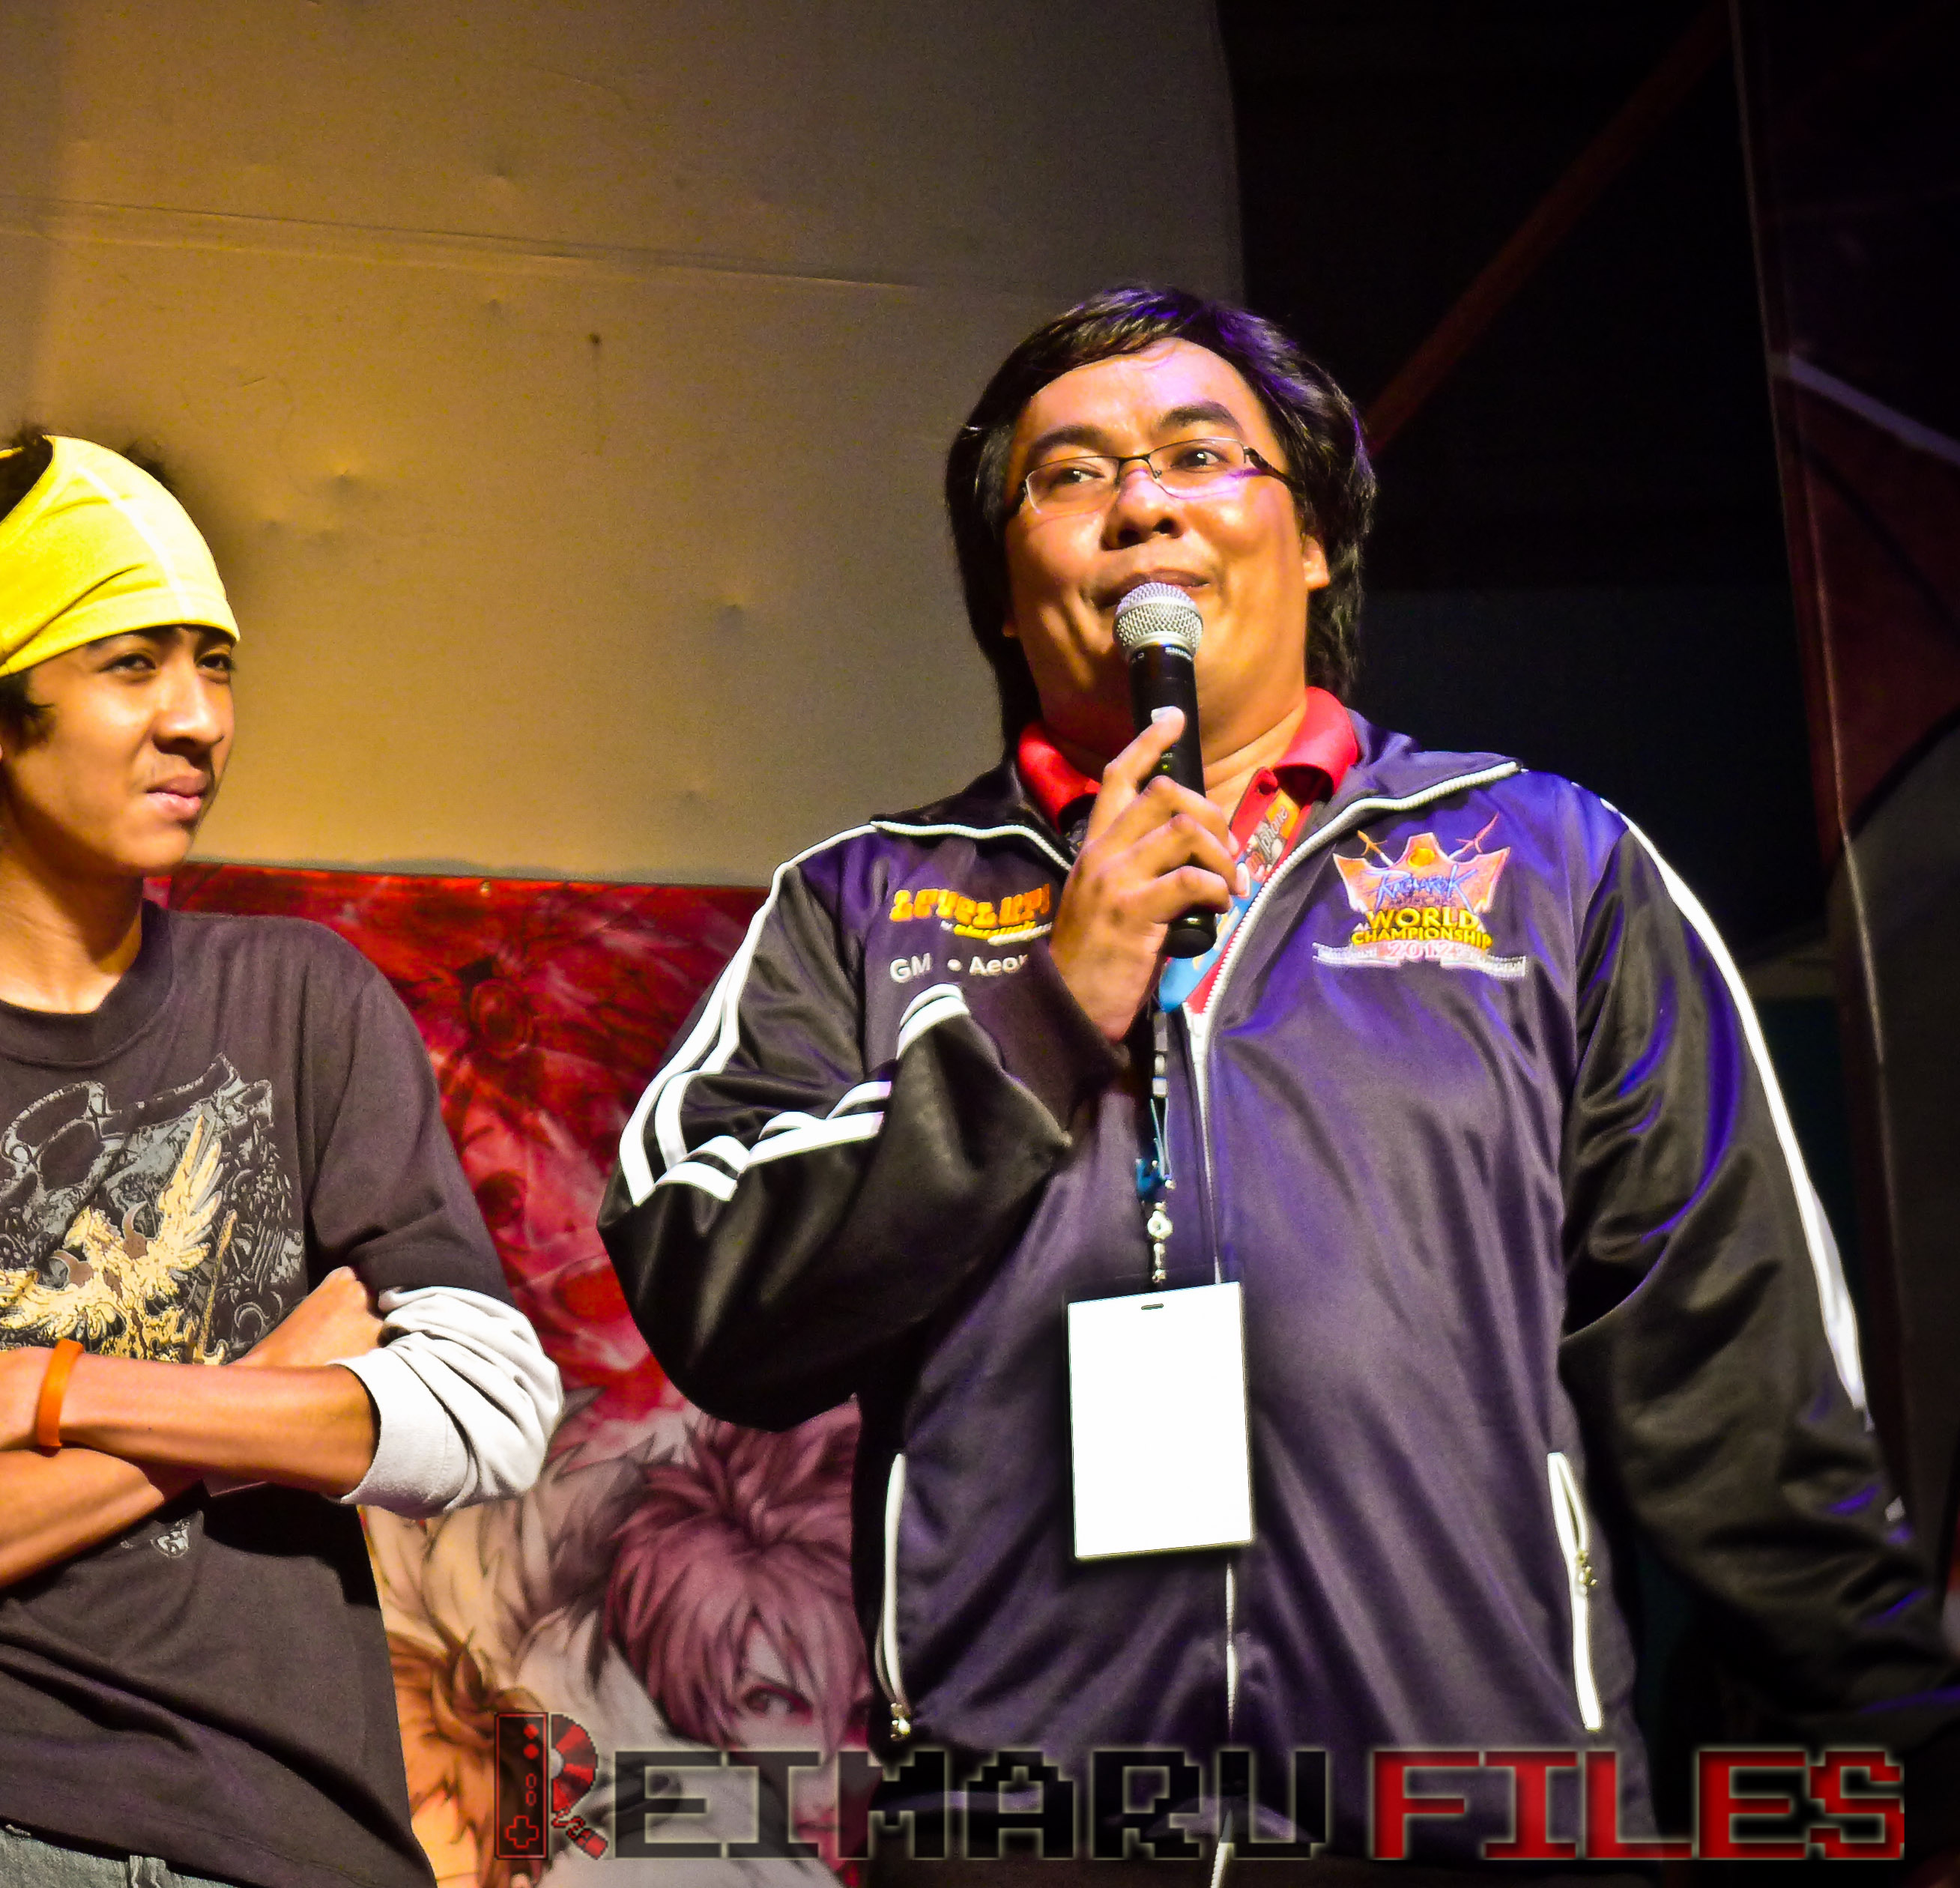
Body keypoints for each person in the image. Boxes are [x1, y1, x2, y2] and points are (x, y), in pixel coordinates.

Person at [596, 288, 1960, 1878]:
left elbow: (1735, 1372)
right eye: (1069, 475)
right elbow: (709, 1286)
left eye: (1199, 455)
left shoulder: (1549, 865)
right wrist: (1043, 1018)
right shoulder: (865, 902)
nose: (1141, 504)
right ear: (1004, 592)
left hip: (1481, 1826)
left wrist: (1897, 1763)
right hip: (1026, 1840)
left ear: (1312, 542)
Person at [0, 429, 562, 1888]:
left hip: (315, 1841)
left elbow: (489, 1412)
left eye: (215, 664)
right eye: (132, 666)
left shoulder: (304, 999)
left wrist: (51, 1394)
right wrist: (275, 1389)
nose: (199, 720)